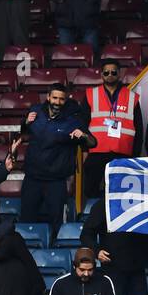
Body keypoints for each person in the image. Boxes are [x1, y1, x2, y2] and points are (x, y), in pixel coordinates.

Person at [21, 81, 95, 230]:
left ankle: (54, 250)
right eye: (55, 98)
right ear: (48, 97)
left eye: (61, 99)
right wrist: (25, 122)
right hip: (32, 177)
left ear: (65, 100)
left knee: (56, 223)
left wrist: (84, 135)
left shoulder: (73, 120)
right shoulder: (35, 112)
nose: (57, 102)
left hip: (56, 181)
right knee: (26, 219)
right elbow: (23, 132)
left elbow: (93, 143)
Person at [82, 184, 148, 295]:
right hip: (112, 267)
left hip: (137, 268)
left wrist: (147, 249)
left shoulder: (143, 206)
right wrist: (97, 251)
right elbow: (86, 234)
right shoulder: (104, 205)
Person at [82, 57, 143, 199]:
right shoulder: (91, 94)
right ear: (101, 74)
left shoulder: (131, 97)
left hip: (123, 153)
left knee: (122, 194)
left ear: (119, 74)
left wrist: (135, 155)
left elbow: (139, 130)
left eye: (113, 73)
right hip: (96, 152)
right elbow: (83, 125)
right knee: (91, 192)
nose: (110, 75)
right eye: (106, 73)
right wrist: (85, 151)